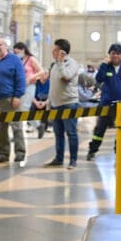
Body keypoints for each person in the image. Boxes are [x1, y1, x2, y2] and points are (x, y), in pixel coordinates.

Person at [87, 43, 121, 161]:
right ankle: (92, 150)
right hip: (107, 103)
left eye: (118, 54)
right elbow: (99, 79)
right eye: (113, 53)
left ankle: (119, 153)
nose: (115, 56)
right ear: (109, 55)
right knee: (99, 129)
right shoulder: (106, 67)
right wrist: (104, 64)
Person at [0, 37, 26, 165]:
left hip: (11, 99)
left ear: (6, 46)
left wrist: (17, 96)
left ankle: (20, 153)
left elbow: (21, 79)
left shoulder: (15, 60)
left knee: (16, 127)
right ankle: (3, 154)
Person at [45, 38, 80, 169]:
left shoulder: (72, 63)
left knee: (71, 133)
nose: (53, 52)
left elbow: (66, 76)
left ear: (62, 52)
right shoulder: (54, 65)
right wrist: (49, 102)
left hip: (69, 103)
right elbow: (52, 85)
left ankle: (73, 160)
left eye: (55, 50)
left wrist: (60, 62)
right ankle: (59, 159)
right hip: (56, 104)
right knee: (58, 133)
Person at [13, 42, 45, 132]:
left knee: (24, 108)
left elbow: (41, 71)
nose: (16, 54)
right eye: (15, 53)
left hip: (30, 86)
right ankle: (38, 125)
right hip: (19, 87)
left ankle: (18, 132)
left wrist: (31, 77)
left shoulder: (31, 59)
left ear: (23, 50)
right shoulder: (17, 60)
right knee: (18, 109)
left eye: (18, 52)